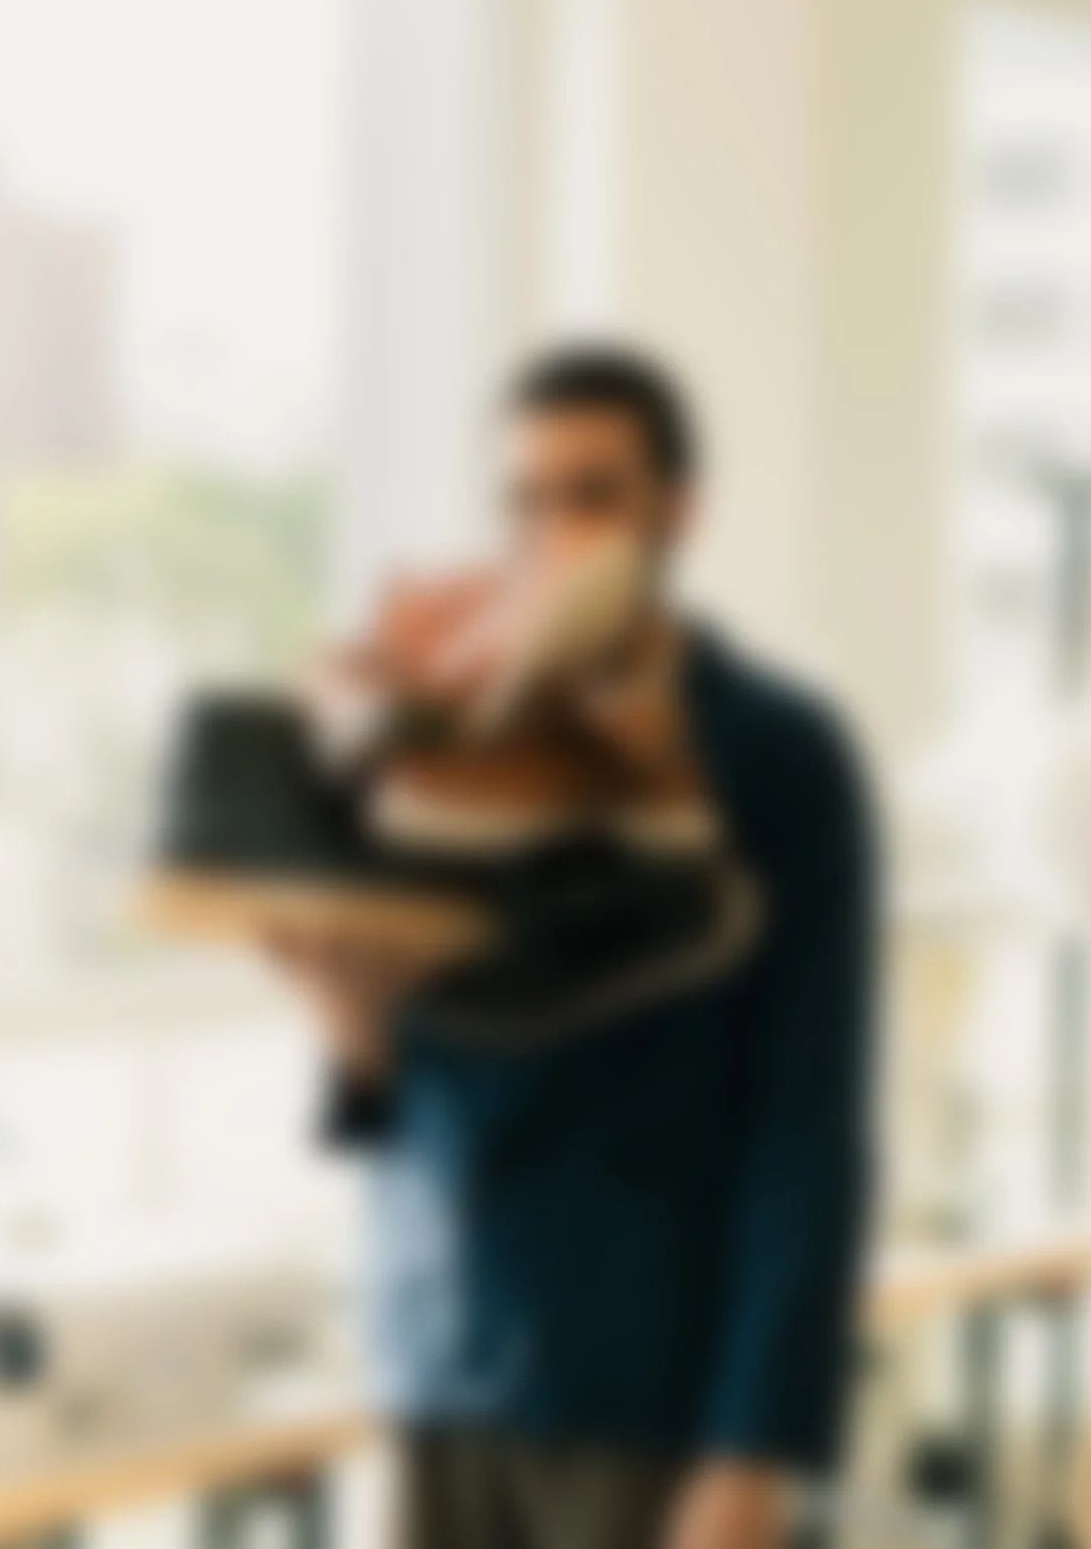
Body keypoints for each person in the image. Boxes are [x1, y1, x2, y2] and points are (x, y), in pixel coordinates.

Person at [268, 344, 879, 1549]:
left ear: (678, 511)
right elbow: (408, 1079)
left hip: (647, 1392)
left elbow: (808, 1128)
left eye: (592, 493)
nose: (552, 531)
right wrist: (347, 1029)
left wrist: (753, 1451)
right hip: (436, 1367)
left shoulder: (778, 754)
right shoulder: (435, 739)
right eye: (524, 500)